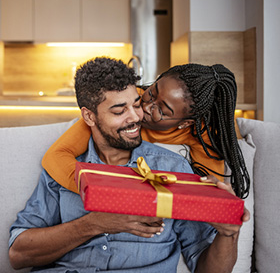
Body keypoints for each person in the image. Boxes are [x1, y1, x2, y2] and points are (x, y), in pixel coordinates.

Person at [9, 57, 248, 273]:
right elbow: (18, 254)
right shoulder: (64, 168)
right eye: (119, 110)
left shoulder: (175, 168)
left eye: (135, 104)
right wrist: (94, 222)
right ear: (90, 117)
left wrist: (229, 231)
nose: (137, 115)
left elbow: (205, 264)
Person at [42, 61, 250, 199]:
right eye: (152, 92)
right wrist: (100, 190)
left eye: (161, 110)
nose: (144, 108)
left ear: (185, 123)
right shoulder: (129, 101)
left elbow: (208, 192)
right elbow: (56, 156)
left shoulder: (201, 134)